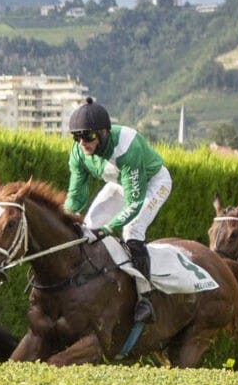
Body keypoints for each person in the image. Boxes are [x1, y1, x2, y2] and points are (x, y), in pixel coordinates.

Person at [62, 99, 168, 324]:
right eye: (77, 137)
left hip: (153, 183)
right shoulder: (78, 152)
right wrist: (63, 218)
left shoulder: (126, 148)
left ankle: (145, 297)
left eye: (88, 137)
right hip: (120, 183)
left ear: (103, 133)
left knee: (132, 230)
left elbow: (134, 202)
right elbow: (76, 196)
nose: (82, 143)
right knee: (89, 227)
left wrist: (110, 228)